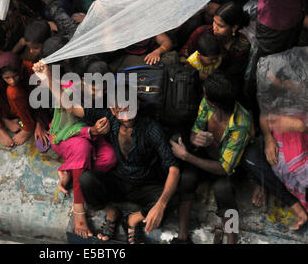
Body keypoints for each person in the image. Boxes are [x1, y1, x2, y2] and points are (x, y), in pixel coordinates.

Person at [33, 61, 180, 243]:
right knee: (86, 180)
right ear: (112, 109)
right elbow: (70, 106)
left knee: (173, 197)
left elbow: (173, 168)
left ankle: (133, 219)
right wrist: (48, 76)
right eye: (120, 111)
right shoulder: (109, 117)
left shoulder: (152, 128)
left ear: (138, 105)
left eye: (130, 110)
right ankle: (111, 212)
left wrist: (161, 205)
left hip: (143, 185)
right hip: (117, 181)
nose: (125, 116)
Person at [32, 58, 117, 240]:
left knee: (109, 158)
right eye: (95, 88)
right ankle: (78, 208)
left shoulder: (109, 95)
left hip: (93, 136)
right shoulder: (71, 90)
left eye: (103, 88)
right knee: (82, 147)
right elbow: (67, 111)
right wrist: (46, 73)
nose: (99, 92)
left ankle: (71, 169)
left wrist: (104, 127)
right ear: (85, 82)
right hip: (66, 135)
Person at [170, 73, 253, 244]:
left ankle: (231, 239)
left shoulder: (241, 124)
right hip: (207, 156)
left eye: (205, 94)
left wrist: (186, 156)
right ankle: (183, 236)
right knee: (186, 178)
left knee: (224, 190)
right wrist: (196, 138)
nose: (203, 96)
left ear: (214, 101)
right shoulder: (207, 105)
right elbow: (195, 130)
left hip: (229, 167)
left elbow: (224, 168)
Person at [242, 114, 307, 231]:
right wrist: (268, 138)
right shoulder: (275, 97)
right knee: (251, 157)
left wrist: (303, 126)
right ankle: (294, 205)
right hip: (279, 141)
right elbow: (263, 116)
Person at [181, 2, 251, 86]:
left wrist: (211, 78)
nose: (215, 28)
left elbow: (233, 77)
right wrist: (196, 73)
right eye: (214, 22)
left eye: (220, 26)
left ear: (234, 27)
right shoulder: (201, 32)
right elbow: (184, 55)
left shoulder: (242, 47)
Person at [0, 52, 35, 147]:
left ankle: (28, 127)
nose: (12, 81)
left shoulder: (29, 68)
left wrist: (40, 123)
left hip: (27, 106)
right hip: (7, 109)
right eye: (7, 78)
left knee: (13, 91)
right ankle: (0, 129)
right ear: (0, 75)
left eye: (15, 75)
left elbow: (42, 95)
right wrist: (5, 121)